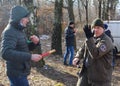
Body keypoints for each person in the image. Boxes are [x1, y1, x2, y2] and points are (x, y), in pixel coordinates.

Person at [0, 6, 43, 86]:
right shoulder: (10, 31)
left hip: (21, 71)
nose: (28, 20)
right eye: (26, 18)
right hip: (16, 73)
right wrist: (30, 57)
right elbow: (6, 53)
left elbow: (24, 48)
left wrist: (35, 43)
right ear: (19, 18)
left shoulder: (19, 30)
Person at [73, 18, 113, 86]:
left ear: (103, 29)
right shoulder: (91, 38)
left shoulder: (106, 40)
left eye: (98, 28)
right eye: (94, 27)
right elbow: (82, 48)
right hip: (86, 72)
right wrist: (77, 57)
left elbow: (96, 54)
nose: (95, 30)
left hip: (100, 77)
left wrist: (89, 39)